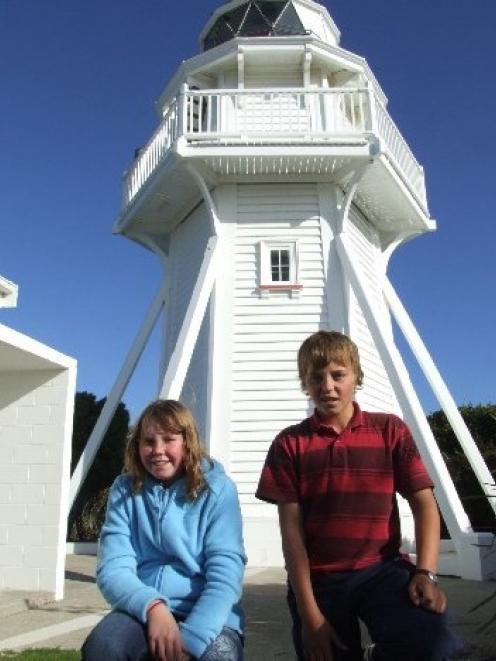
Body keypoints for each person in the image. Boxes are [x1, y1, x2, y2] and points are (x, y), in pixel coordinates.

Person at [255, 331, 462, 661]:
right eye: (316, 377)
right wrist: (311, 618)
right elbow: (291, 537)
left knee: (430, 644)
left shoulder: (390, 430)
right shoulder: (288, 444)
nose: (328, 386)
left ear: (356, 376)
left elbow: (424, 504)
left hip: (382, 570)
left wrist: (426, 572)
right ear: (304, 382)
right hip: (319, 580)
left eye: (339, 375)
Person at [82, 399, 246, 661]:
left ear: (187, 442)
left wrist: (189, 643)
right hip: (142, 609)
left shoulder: (219, 490)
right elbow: (113, 568)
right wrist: (154, 608)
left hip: (208, 614)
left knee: (219, 657)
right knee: (104, 647)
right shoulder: (124, 490)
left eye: (169, 439)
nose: (157, 450)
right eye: (148, 441)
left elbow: (226, 577)